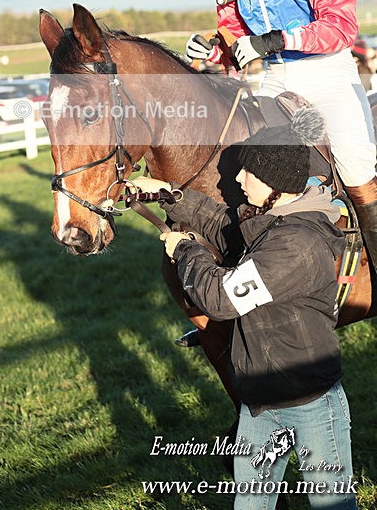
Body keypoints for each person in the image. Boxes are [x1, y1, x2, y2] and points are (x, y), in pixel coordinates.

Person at [133, 109, 357, 509]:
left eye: (247, 172)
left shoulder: (295, 245)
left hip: (308, 403)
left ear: (274, 183)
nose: (237, 179)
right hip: (259, 402)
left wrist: (185, 250)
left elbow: (220, 300)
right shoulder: (272, 220)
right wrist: (170, 195)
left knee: (332, 504)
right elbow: (224, 225)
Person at [185, 0, 377, 270]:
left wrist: (277, 39)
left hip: (328, 71)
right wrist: (211, 52)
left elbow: (341, 26)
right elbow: (234, 34)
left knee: (356, 168)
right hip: (275, 77)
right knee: (242, 167)